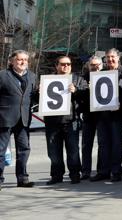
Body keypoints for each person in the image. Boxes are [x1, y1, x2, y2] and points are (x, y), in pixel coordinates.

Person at [90, 48, 122, 182]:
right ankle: (103, 171)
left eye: (113, 57)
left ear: (118, 57)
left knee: (116, 143)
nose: (110, 60)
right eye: (108, 57)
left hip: (117, 115)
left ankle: (116, 171)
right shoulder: (101, 73)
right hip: (103, 115)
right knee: (103, 144)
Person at [44, 56, 87, 185]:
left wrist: (77, 91)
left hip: (71, 121)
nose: (66, 66)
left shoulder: (78, 79)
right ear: (56, 66)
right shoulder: (47, 79)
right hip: (52, 121)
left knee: (73, 150)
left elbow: (86, 96)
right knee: (53, 151)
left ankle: (75, 174)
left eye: (68, 64)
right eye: (62, 64)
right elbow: (37, 98)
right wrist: (39, 92)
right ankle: (56, 175)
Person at [0, 50, 38, 189]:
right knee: (0, 150)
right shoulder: (3, 75)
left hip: (24, 119)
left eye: (25, 60)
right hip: (4, 118)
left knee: (24, 149)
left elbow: (34, 97)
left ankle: (22, 178)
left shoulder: (33, 76)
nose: (23, 62)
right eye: (19, 59)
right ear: (12, 61)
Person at [79, 56, 102, 180]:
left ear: (102, 65)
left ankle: (100, 170)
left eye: (98, 64)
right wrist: (88, 89)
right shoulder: (83, 79)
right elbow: (80, 96)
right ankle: (85, 171)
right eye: (93, 65)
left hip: (102, 116)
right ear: (88, 66)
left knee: (102, 145)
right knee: (86, 145)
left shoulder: (106, 76)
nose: (95, 67)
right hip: (88, 116)